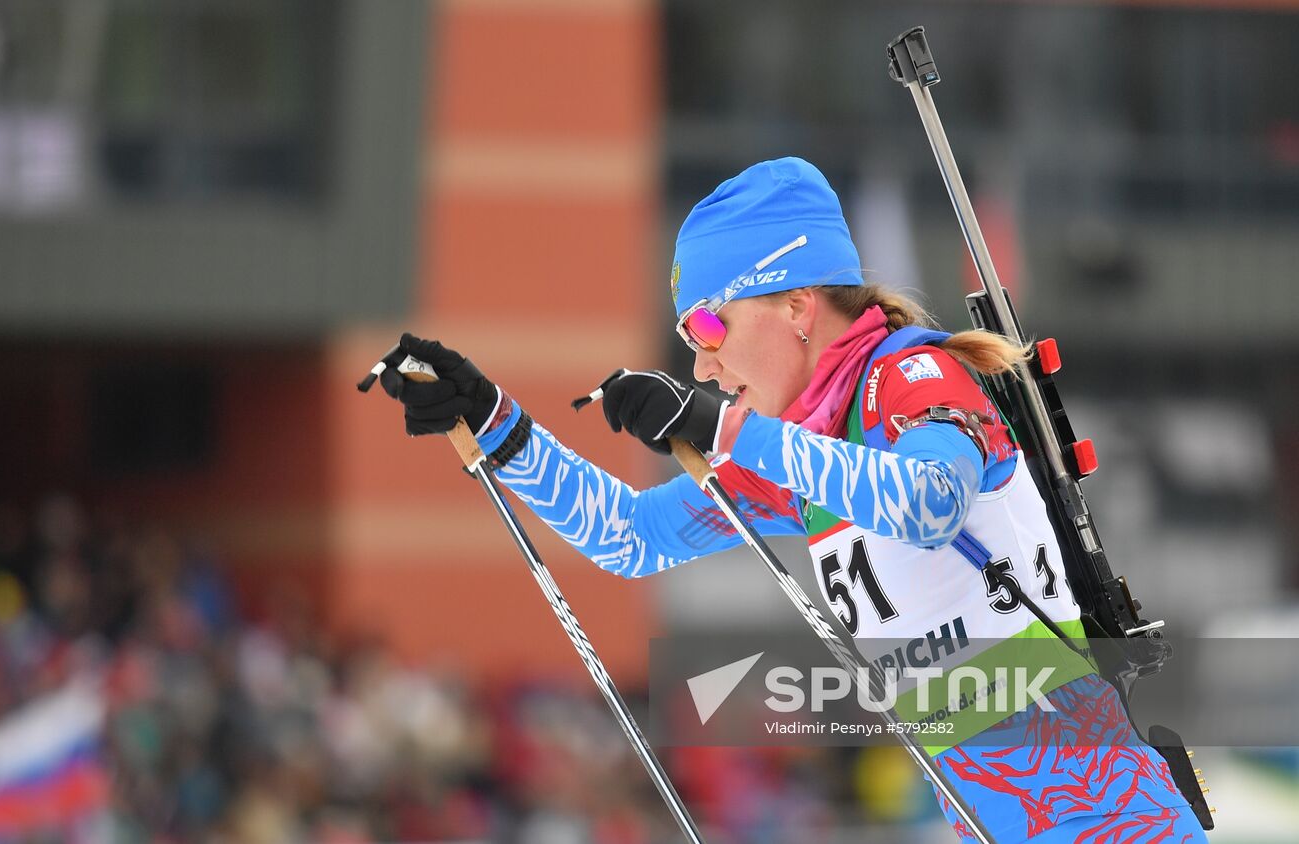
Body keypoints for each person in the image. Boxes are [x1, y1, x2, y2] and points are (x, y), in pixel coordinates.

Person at [378, 157, 1207, 843]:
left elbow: (928, 502)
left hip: (1102, 816)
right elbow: (629, 536)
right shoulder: (803, 452)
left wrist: (727, 429)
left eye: (709, 328)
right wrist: (494, 423)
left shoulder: (909, 378)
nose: (701, 365)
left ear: (797, 306)